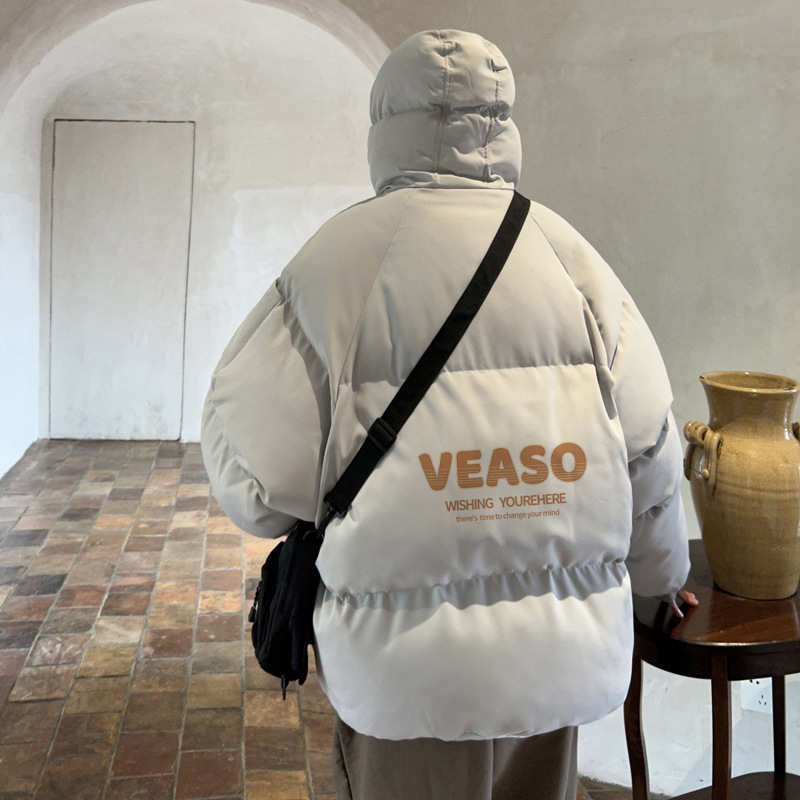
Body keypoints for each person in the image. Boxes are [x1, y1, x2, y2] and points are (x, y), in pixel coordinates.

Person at [201, 29, 697, 800]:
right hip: (554, 660)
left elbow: (252, 479)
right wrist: (662, 579)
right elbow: (649, 448)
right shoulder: (572, 258)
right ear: (502, 123)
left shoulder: (336, 261)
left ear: (384, 127)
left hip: (404, 673)